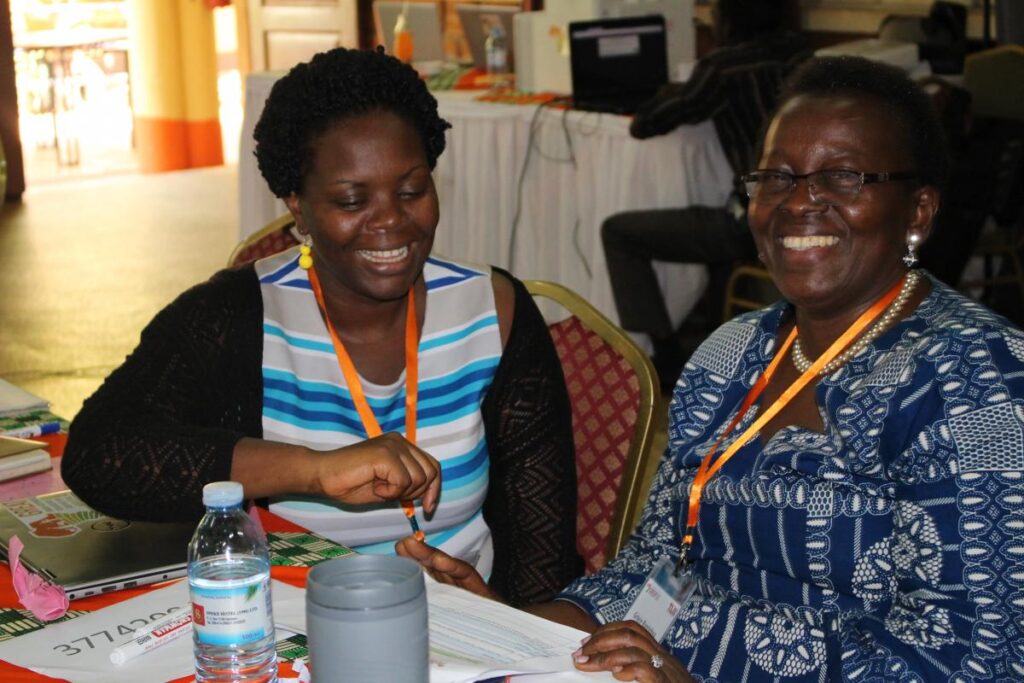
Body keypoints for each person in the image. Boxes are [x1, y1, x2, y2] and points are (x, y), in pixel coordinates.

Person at [398, 56, 1024, 680]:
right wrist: (514, 626)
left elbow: (978, 656)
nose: (799, 202)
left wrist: (697, 673)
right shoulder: (732, 353)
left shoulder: (975, 382)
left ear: (917, 210)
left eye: (844, 177)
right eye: (777, 178)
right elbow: (653, 568)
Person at [61, 47, 582, 607]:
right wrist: (312, 471)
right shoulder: (237, 315)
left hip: (465, 633)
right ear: (299, 210)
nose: (390, 220)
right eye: (351, 200)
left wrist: (501, 615)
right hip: (287, 632)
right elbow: (98, 455)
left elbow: (543, 566)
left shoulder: (493, 313)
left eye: (411, 190)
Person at [600, 0, 810, 388]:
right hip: (806, 212)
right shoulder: (802, 53)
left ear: (726, 17)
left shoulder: (722, 68)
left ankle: (665, 358)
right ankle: (713, 335)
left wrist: (675, 89)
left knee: (618, 232)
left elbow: (647, 122)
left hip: (753, 223)